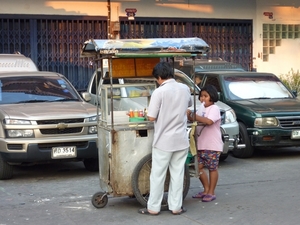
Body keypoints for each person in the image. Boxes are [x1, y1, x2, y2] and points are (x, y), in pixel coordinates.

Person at [138, 61, 192, 215]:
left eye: (157, 78)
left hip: (163, 141)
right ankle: (176, 207)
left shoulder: (159, 92)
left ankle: (153, 208)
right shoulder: (184, 88)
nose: (157, 81)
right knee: (177, 174)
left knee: (158, 175)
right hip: (181, 139)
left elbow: (151, 117)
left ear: (160, 77)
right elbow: (187, 105)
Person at [187, 84, 223, 202]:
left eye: (205, 96)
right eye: (201, 96)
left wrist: (194, 116)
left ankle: (211, 192)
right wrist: (190, 116)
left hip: (212, 145)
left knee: (212, 168)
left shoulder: (214, 109)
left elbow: (208, 121)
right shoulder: (201, 110)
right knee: (199, 167)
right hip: (201, 144)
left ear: (212, 97)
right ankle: (206, 189)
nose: (203, 99)